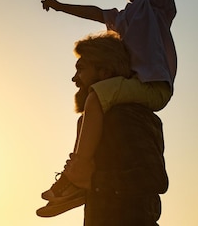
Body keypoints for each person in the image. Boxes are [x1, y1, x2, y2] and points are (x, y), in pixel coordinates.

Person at [37, 0, 178, 214]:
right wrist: (61, 6)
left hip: (154, 88)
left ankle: (77, 178)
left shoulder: (156, 5)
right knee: (87, 117)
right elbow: (93, 12)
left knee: (97, 95)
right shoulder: (123, 18)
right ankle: (79, 179)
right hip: (139, 86)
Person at [36, 32, 168, 225]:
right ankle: (73, 185)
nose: (74, 79)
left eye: (80, 70)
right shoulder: (99, 120)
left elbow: (153, 178)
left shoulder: (123, 116)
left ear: (104, 72)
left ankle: (74, 182)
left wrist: (92, 181)